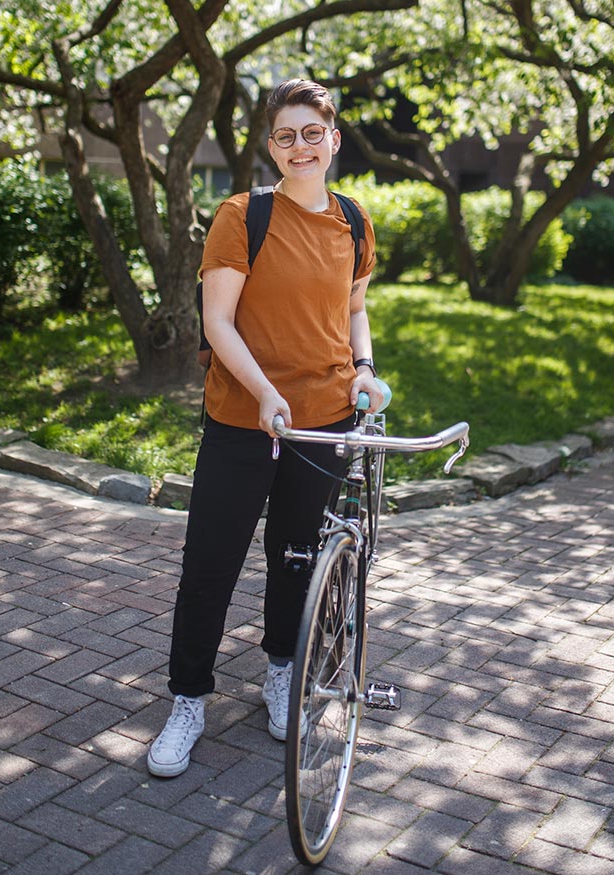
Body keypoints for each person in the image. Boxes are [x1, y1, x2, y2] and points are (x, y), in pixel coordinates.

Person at [147, 78, 382, 777]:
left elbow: (354, 310)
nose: (301, 145)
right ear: (271, 146)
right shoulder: (241, 215)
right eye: (287, 135)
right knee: (210, 565)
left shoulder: (354, 221)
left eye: (314, 132)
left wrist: (364, 369)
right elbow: (216, 321)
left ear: (333, 140)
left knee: (296, 558)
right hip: (243, 419)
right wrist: (264, 392)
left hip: (325, 422)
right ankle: (188, 700)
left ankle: (282, 670)